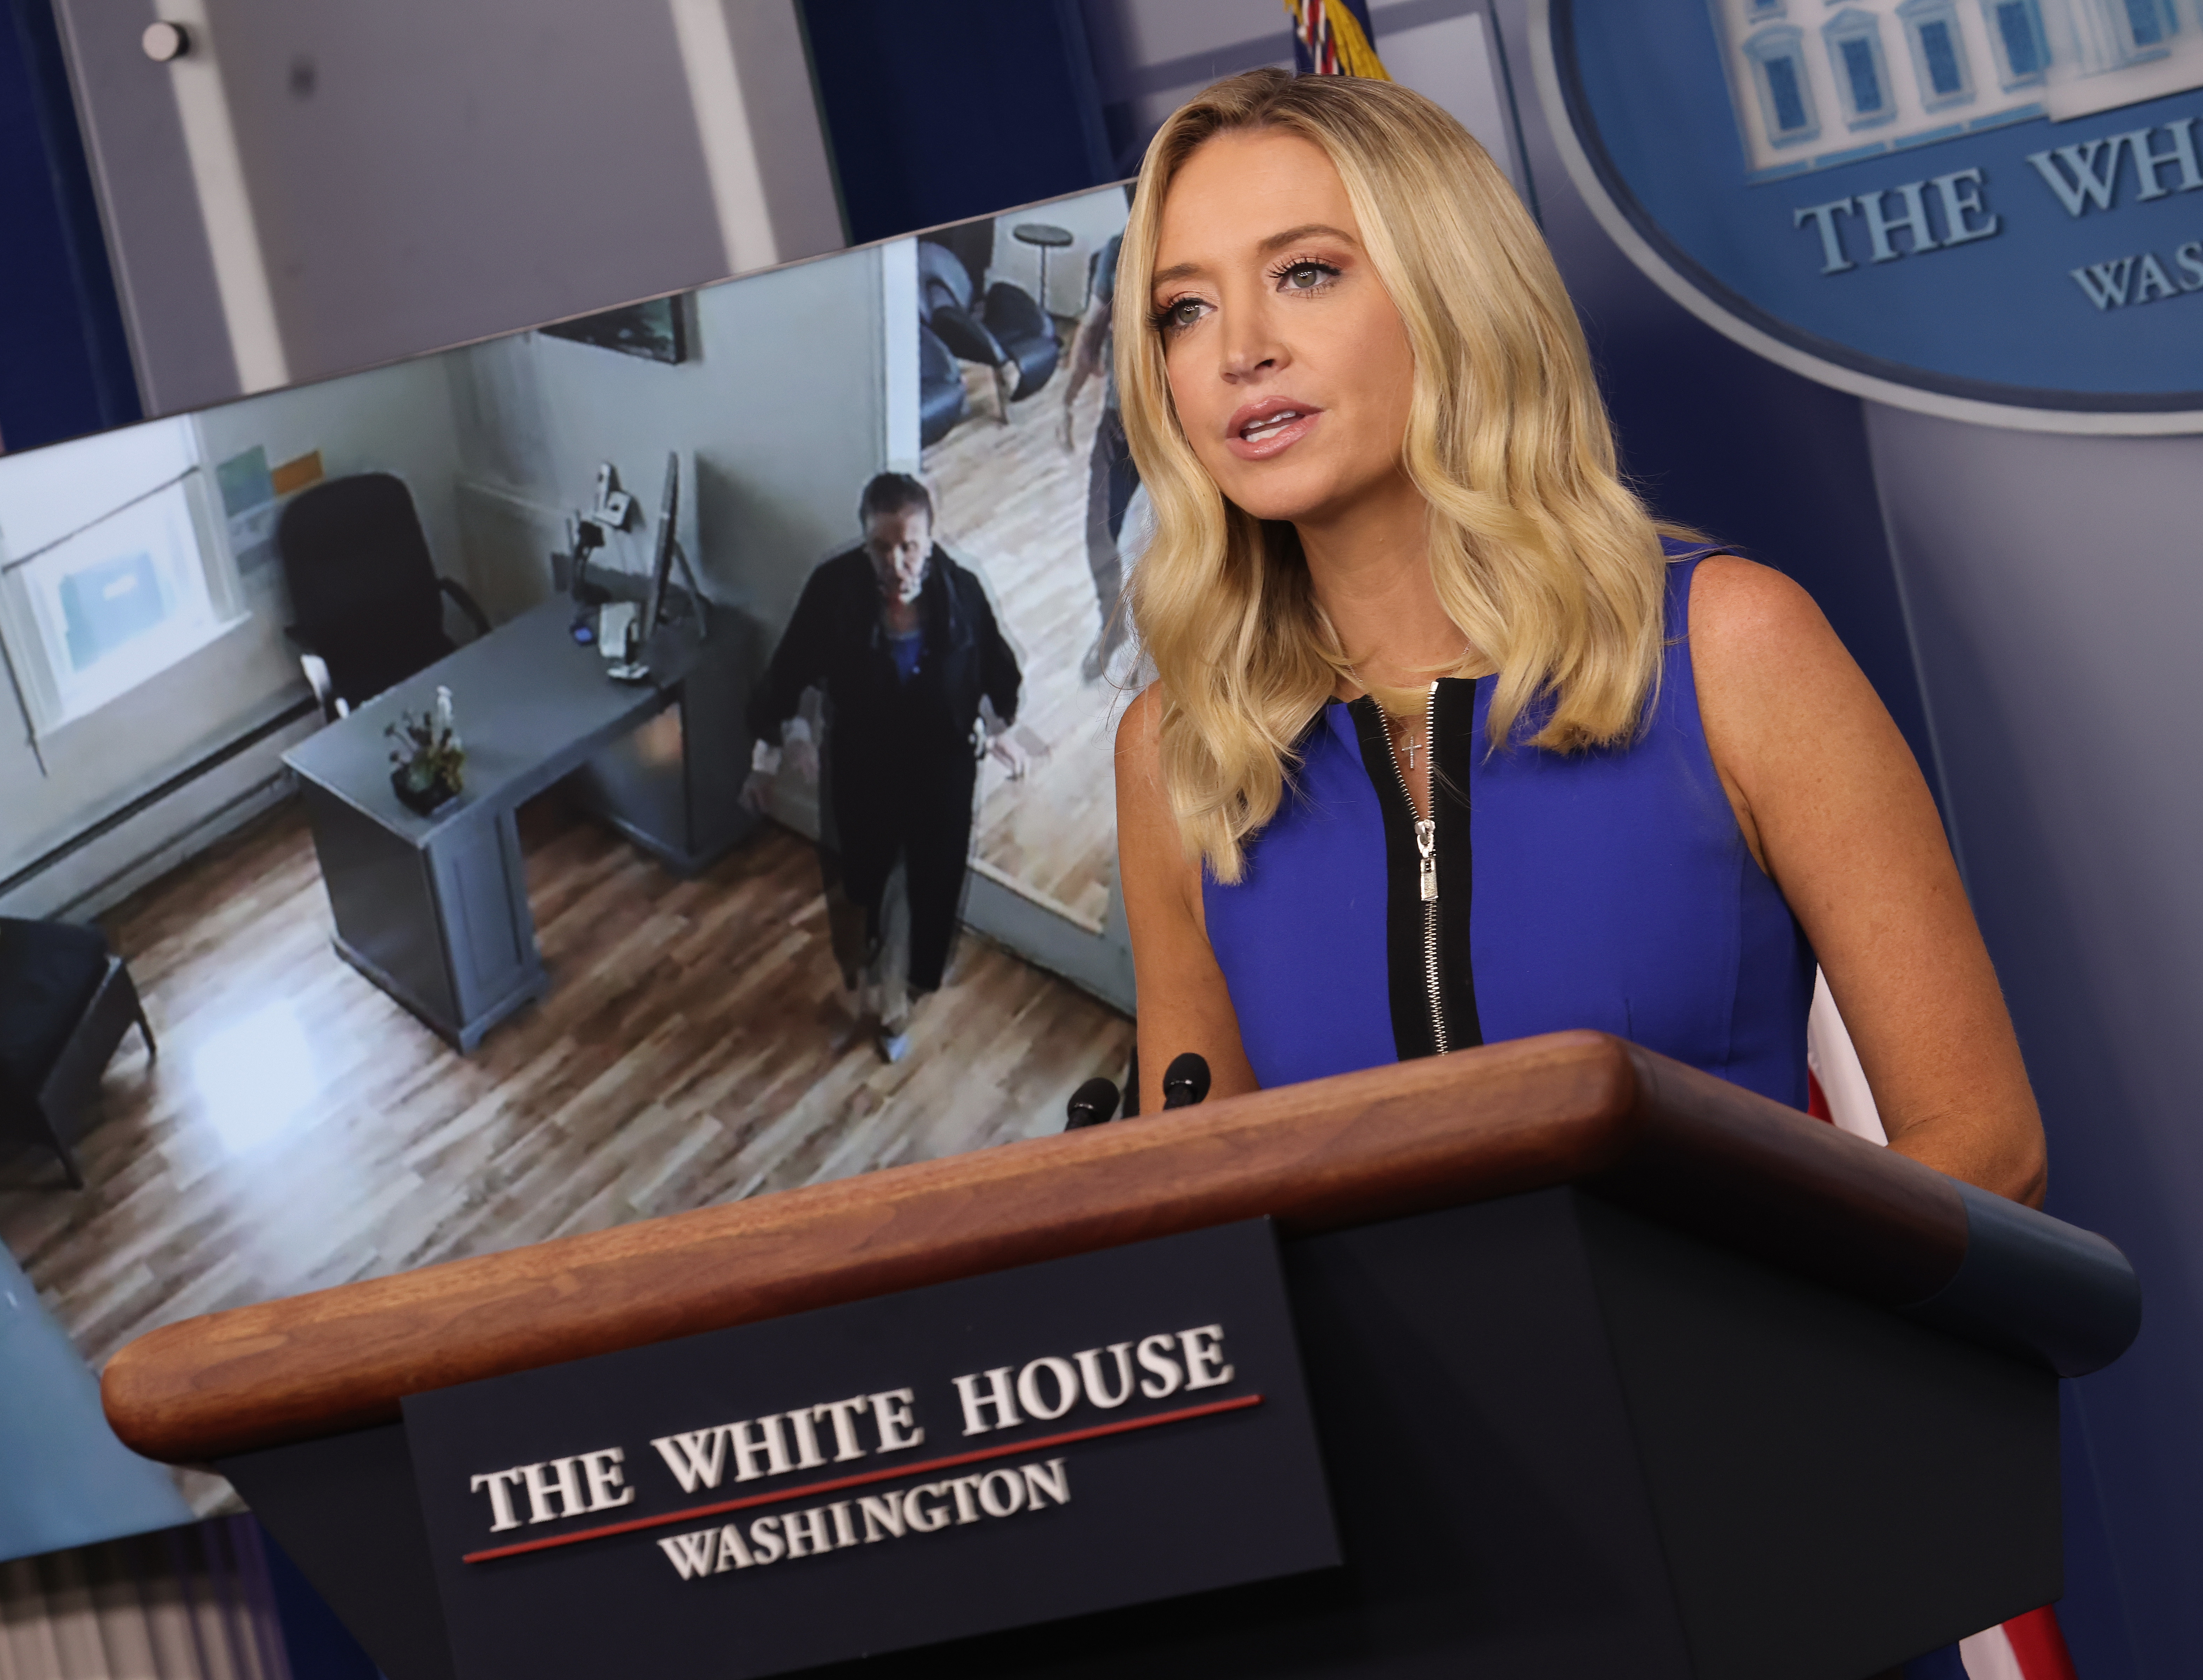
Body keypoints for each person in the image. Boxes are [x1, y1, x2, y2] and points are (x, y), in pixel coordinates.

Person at [1111, 69, 2046, 1209]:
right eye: (1182, 309)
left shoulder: (1731, 644)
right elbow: (1196, 1218)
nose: (1236, 349)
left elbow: (1985, 1148)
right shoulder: (1178, 751)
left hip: (1727, 1378)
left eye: (1303, 273)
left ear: (1448, 293)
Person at [744, 473, 1027, 1060]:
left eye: (910, 546)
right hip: (861, 765)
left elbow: (997, 673)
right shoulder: (834, 589)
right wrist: (776, 748)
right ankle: (870, 984)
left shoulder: (960, 592)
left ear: (930, 538)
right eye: (881, 547)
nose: (896, 562)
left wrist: (1000, 727)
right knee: (864, 882)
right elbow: (788, 671)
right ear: (864, 539)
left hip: (940, 770)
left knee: (925, 886)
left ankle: (897, 1003)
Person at [1060, 232, 1142, 680]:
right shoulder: (1116, 249)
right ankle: (1112, 628)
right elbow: (1092, 330)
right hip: (1118, 422)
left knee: (1169, 549)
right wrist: (1067, 401)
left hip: (1182, 428)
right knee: (1100, 539)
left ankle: (1157, 653)